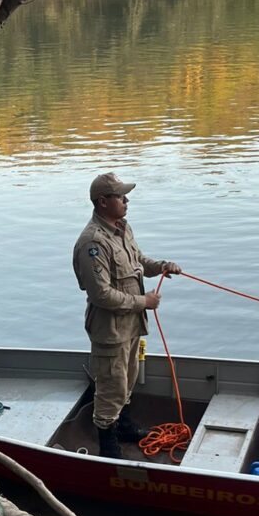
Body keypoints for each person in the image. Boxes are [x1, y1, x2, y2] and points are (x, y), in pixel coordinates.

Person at [72, 172, 181, 459]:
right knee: (111, 388)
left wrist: (161, 266)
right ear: (103, 202)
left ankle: (125, 428)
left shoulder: (122, 228)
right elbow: (101, 295)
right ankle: (109, 450)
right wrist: (143, 301)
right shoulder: (92, 244)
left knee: (128, 379)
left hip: (131, 325)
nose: (127, 200)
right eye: (121, 196)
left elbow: (138, 261)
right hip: (109, 330)